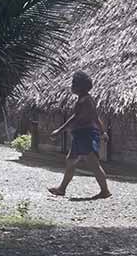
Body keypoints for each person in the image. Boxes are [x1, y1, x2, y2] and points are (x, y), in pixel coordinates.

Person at [48, 71, 112, 199]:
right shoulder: (83, 100)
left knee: (93, 164)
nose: (72, 86)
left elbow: (78, 118)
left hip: (86, 135)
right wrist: (102, 131)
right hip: (80, 135)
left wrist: (59, 130)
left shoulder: (86, 101)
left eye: (74, 84)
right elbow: (95, 117)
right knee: (70, 161)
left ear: (80, 87)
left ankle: (105, 191)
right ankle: (62, 189)